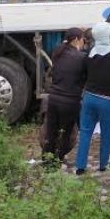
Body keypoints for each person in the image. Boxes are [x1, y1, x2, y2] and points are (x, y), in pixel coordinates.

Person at [74, 22, 110, 175]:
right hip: (108, 99)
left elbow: (83, 75)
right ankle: (103, 165)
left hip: (89, 97)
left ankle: (80, 166)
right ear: (107, 37)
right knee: (107, 133)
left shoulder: (89, 55)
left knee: (85, 132)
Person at [40, 27, 85, 167]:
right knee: (66, 132)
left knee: (51, 131)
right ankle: (59, 159)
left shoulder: (58, 53)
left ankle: (47, 160)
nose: (84, 42)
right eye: (83, 39)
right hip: (70, 100)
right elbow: (84, 78)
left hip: (53, 99)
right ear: (77, 39)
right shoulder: (81, 57)